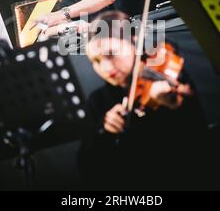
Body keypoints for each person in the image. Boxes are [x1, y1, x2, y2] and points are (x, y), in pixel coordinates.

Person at [77, 10, 213, 190]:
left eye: (111, 54)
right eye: (96, 61)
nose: (106, 67)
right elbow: (88, 169)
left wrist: (172, 107)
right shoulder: (98, 101)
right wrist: (105, 132)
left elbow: (198, 146)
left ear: (134, 42)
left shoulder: (168, 77)